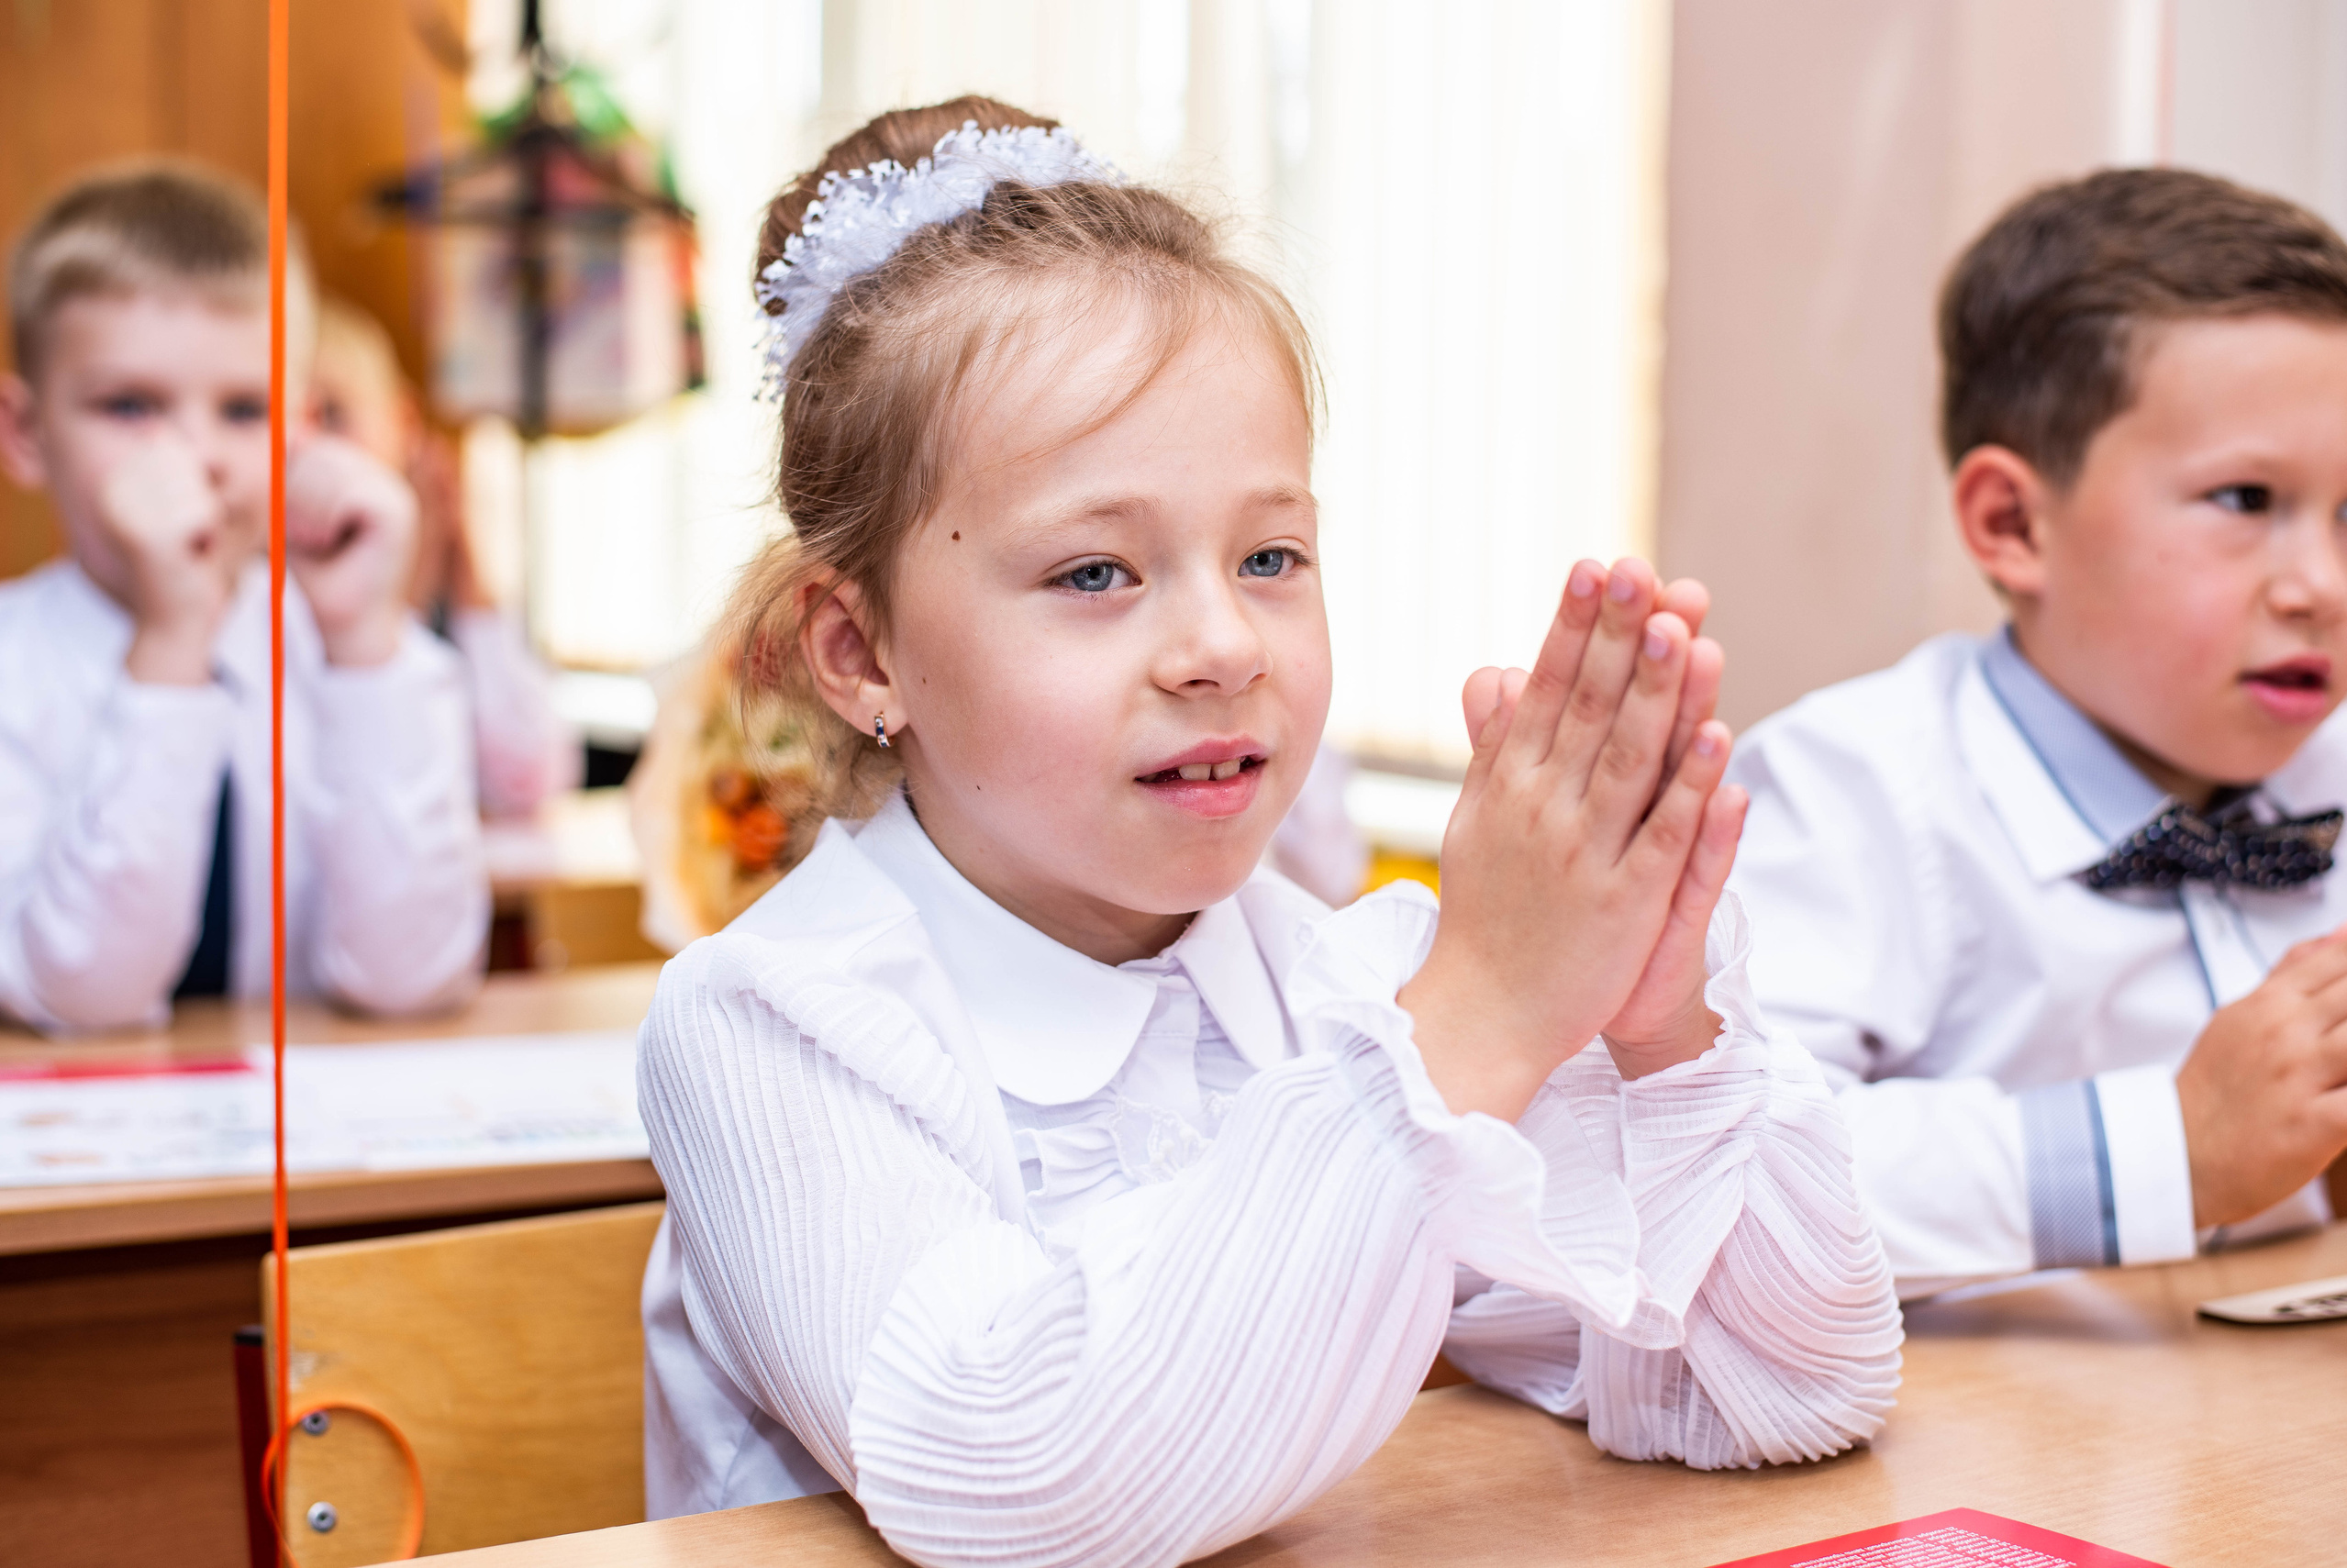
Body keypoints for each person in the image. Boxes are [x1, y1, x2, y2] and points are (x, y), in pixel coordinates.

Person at [636, 98, 1900, 1563]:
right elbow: (1026, 1493)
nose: (1223, 643)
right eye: (1100, 571)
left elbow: (1775, 1395)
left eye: (1272, 555)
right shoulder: (772, 1023)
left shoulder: (1340, 990)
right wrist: (1476, 1022)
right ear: (861, 656)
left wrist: (1662, 1025)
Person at [1726, 167, 2347, 1299]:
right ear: (2013, 524)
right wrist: (2167, 1143)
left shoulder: (2333, 778)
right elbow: (1722, 1172)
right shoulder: (1855, 788)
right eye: (2246, 501)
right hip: (1953, 1450)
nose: (2319, 582)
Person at [0, 161, 489, 1033]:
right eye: (130, 405)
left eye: (242, 409)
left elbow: (413, 977)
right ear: (26, 433)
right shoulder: (15, 665)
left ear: (298, 426)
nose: (198, 453)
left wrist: (366, 643)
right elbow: (86, 999)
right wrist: (171, 643)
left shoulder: (345, 646)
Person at [309, 295, 579, 819]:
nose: (311, 448)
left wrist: (468, 579)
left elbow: (535, 778)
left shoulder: (447, 564)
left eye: (333, 415)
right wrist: (399, 605)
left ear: (405, 422)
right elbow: (353, 785)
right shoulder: (275, 591)